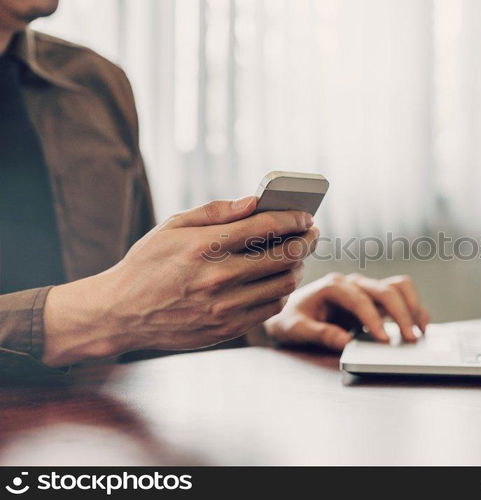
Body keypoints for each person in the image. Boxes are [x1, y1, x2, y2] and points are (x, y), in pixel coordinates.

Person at [0, 0, 430, 373]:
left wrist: (261, 323)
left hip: (94, 444)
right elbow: (113, 313)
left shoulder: (94, 84)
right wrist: (99, 314)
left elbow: (135, 320)